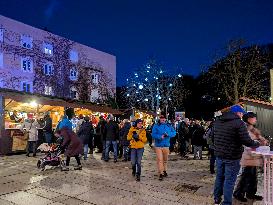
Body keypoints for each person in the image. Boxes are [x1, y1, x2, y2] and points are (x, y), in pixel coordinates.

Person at [212, 105, 260, 205]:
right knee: (229, 181)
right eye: (242, 113)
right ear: (238, 113)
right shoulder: (239, 123)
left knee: (219, 177)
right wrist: (256, 144)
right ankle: (227, 203)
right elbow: (246, 141)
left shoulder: (218, 121)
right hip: (232, 156)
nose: (242, 115)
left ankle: (217, 199)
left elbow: (213, 137)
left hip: (219, 155)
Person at [233, 112, 268, 202]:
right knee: (245, 176)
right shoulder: (244, 128)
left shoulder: (252, 128)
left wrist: (262, 140)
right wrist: (259, 142)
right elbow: (248, 142)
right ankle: (238, 193)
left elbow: (258, 138)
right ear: (249, 119)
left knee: (253, 176)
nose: (256, 119)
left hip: (254, 156)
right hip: (247, 156)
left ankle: (251, 193)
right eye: (254, 118)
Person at [152, 115, 176, 181]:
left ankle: (164, 170)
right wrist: (160, 136)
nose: (162, 119)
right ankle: (161, 173)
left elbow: (174, 133)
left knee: (165, 160)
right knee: (160, 160)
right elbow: (153, 134)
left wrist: (168, 134)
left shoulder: (169, 125)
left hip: (166, 145)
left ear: (165, 119)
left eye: (164, 118)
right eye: (161, 118)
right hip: (158, 146)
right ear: (159, 119)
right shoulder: (156, 125)